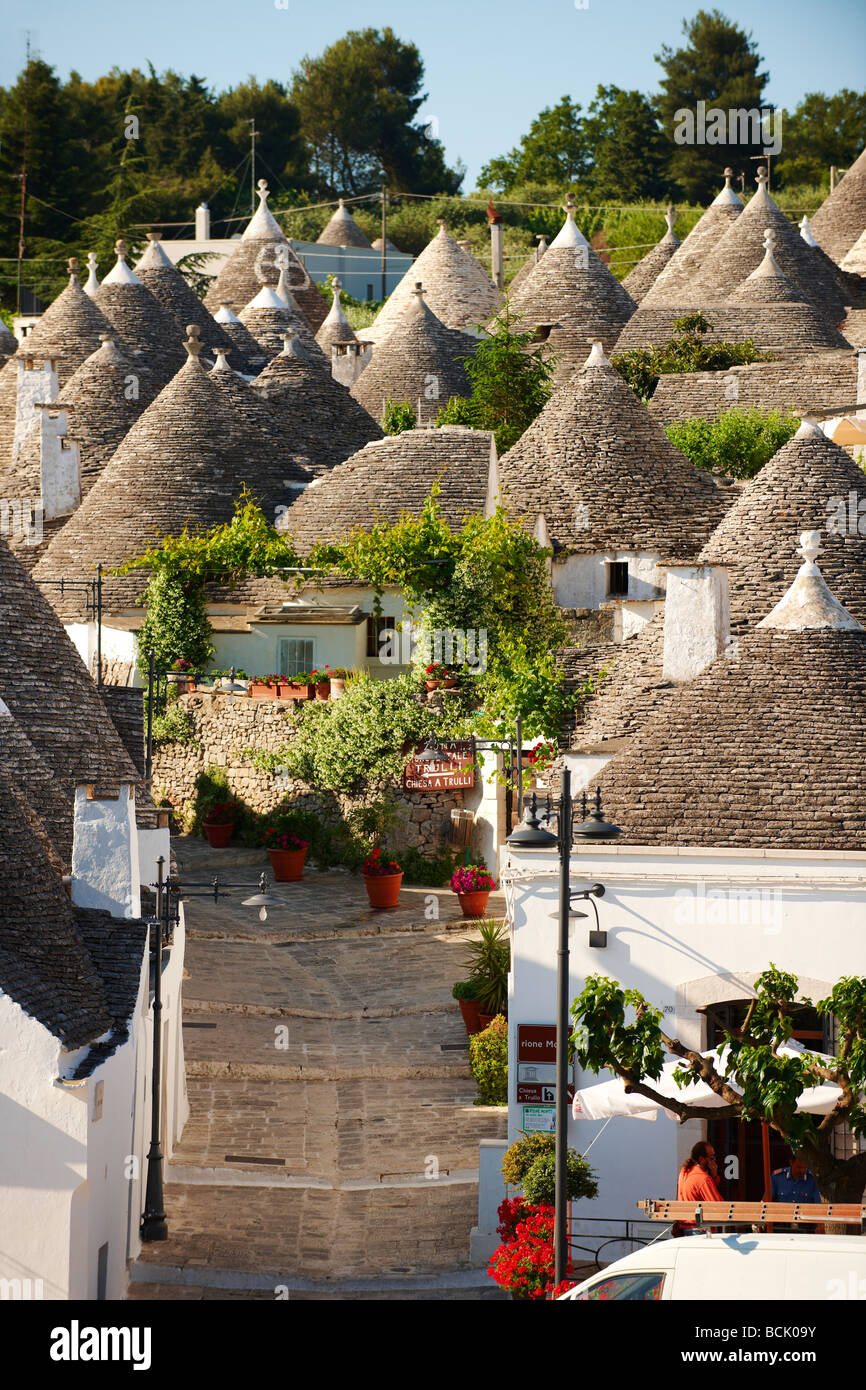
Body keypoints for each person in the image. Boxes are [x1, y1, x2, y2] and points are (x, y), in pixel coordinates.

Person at [673, 1141, 724, 1234]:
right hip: (700, 1229)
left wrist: (714, 1178)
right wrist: (715, 1176)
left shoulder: (684, 1172)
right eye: (712, 1157)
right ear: (701, 1159)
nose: (714, 1160)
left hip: (686, 1227)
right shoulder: (703, 1178)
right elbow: (719, 1206)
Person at [769, 1149, 823, 1233]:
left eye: (804, 1168)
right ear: (791, 1163)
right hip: (782, 1227)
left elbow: (818, 1205)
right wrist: (758, 1221)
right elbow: (766, 1199)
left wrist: (820, 1225)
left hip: (806, 1227)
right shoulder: (777, 1177)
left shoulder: (812, 1179)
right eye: (799, 1167)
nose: (802, 1171)